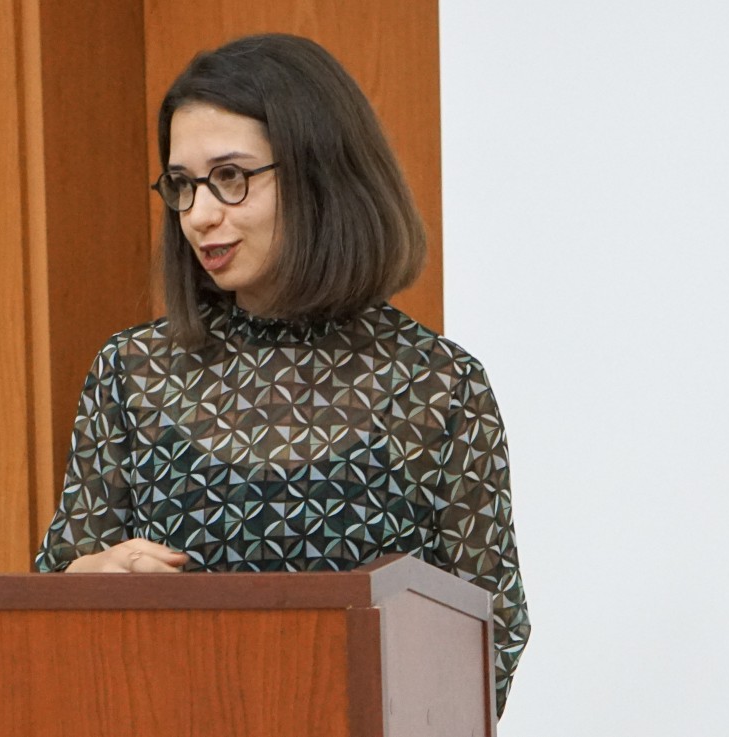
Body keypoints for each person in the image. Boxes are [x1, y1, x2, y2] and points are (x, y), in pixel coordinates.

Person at [31, 33, 529, 715]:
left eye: (231, 177)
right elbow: (54, 596)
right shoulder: (131, 374)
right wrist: (80, 583)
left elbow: (493, 631)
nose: (200, 215)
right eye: (182, 185)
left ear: (319, 173)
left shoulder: (439, 386)